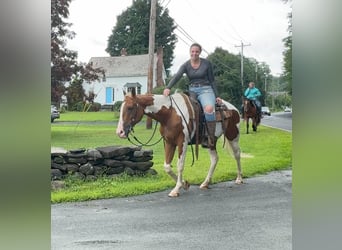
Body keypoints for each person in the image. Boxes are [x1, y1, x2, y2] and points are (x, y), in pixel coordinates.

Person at [163, 43, 222, 148]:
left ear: (200, 52)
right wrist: (168, 87)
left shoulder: (207, 64)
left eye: (196, 51)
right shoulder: (186, 65)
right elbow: (177, 77)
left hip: (206, 90)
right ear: (190, 52)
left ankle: (210, 137)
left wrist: (217, 95)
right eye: (192, 51)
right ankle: (191, 135)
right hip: (192, 91)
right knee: (189, 110)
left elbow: (212, 80)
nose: (194, 53)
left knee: (208, 109)